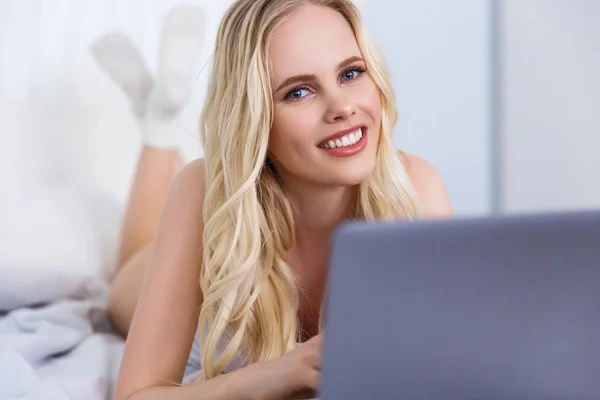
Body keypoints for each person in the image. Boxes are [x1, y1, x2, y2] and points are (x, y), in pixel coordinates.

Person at [111, 0, 453, 399]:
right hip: (212, 234)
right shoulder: (204, 193)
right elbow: (134, 395)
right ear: (255, 118)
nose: (343, 107)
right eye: (299, 92)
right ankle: (159, 123)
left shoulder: (415, 190)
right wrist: (268, 377)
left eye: (351, 72)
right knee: (118, 288)